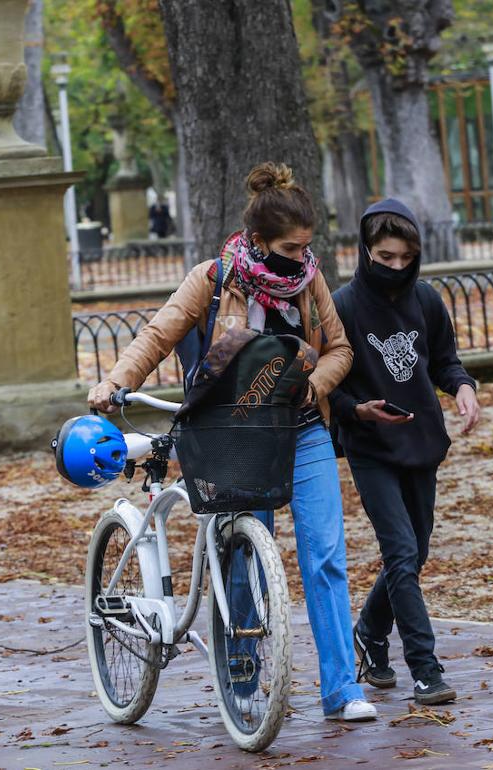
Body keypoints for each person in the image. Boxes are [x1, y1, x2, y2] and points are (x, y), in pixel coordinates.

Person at [89, 162, 377, 723]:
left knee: (326, 558)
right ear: (259, 242)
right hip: (235, 437)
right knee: (244, 559)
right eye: (292, 249)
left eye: (307, 247)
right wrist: (116, 382)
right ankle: (243, 675)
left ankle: (342, 689)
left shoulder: (310, 280)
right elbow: (157, 334)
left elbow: (340, 348)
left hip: (304, 431)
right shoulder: (214, 278)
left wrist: (311, 385)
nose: (302, 259)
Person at [329, 199, 480, 706]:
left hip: (421, 442)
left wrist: (462, 387)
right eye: (385, 256)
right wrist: (360, 411)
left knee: (415, 553)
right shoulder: (342, 306)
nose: (395, 266)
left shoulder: (427, 299)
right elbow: (328, 386)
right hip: (370, 447)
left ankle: (370, 632)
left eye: (404, 257)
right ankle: (425, 667)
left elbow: (443, 359)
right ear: (366, 251)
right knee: (400, 552)